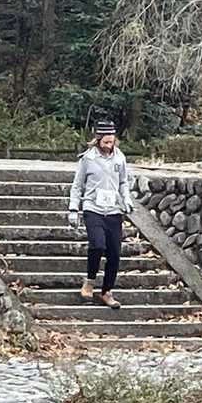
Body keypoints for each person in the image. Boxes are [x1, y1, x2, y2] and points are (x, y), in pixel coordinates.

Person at [67, 120, 133, 309]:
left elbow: (123, 182)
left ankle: (107, 291)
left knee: (114, 252)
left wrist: (127, 199)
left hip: (113, 209)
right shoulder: (87, 159)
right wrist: (73, 209)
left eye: (111, 142)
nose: (109, 145)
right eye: (105, 142)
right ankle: (89, 281)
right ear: (98, 140)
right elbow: (77, 185)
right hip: (93, 208)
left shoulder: (120, 158)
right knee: (97, 245)